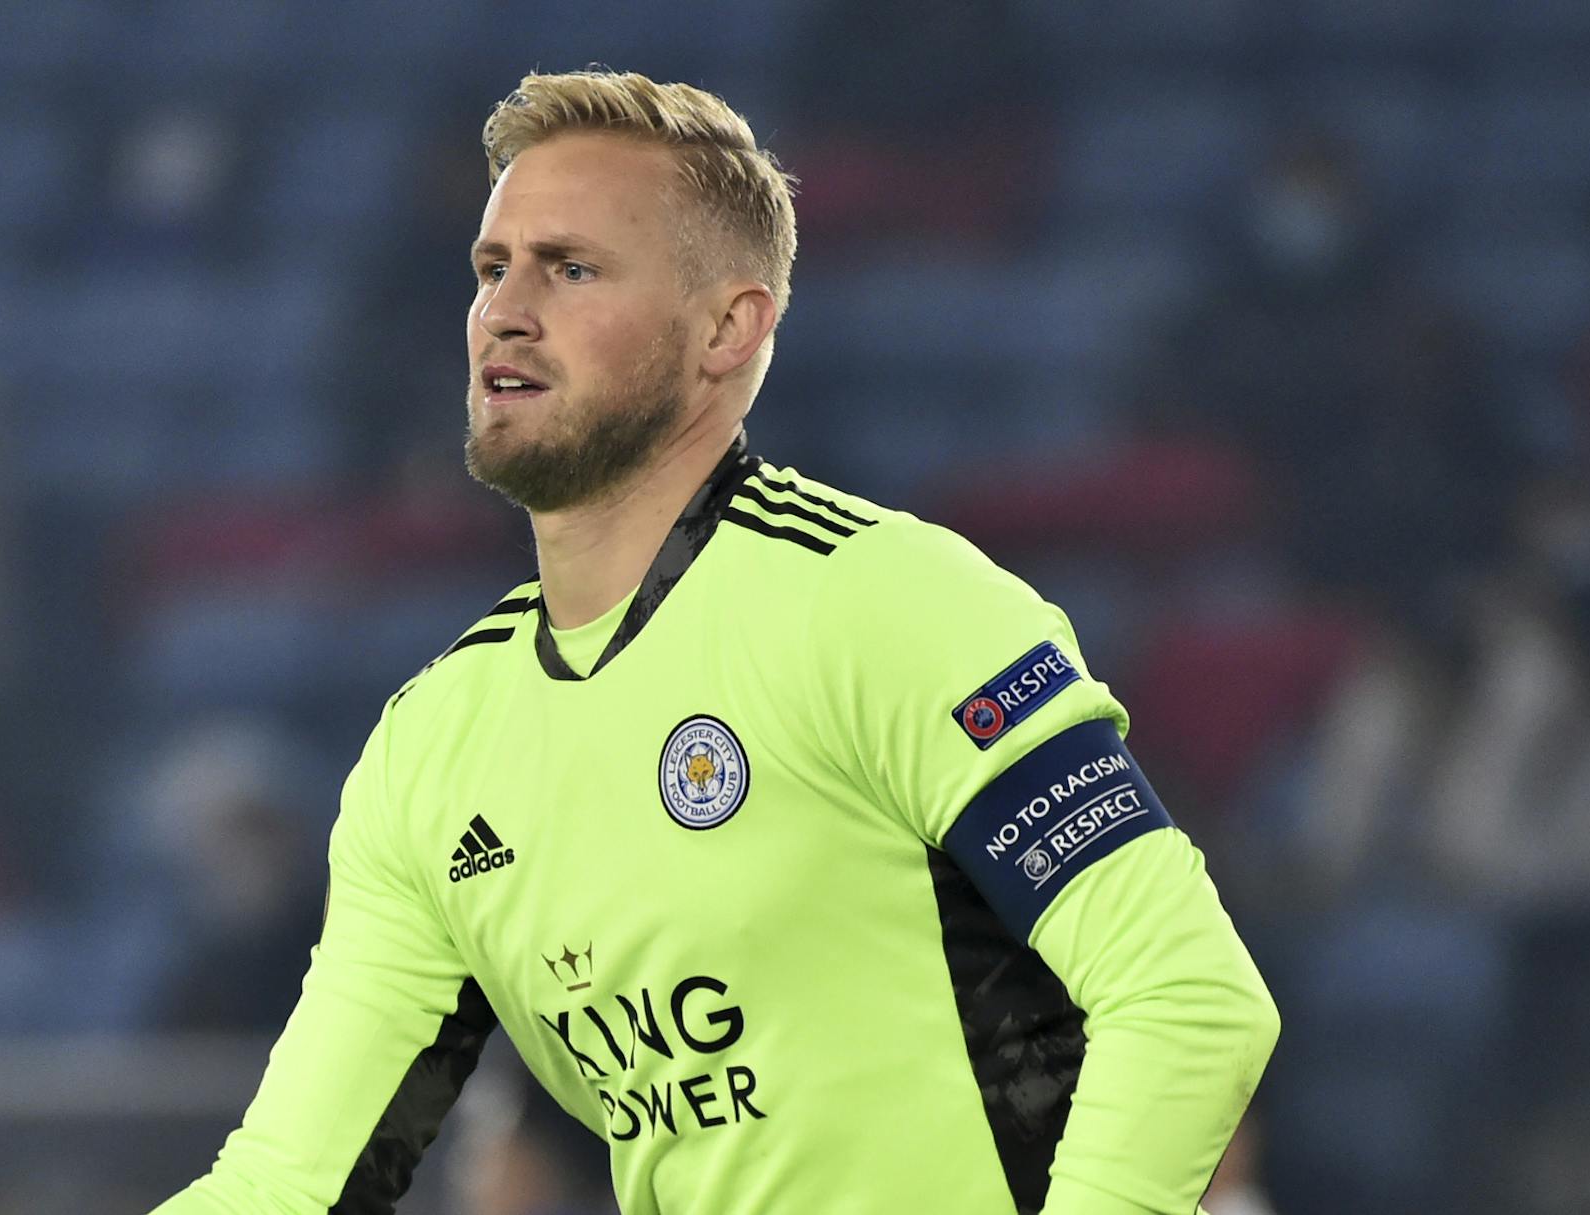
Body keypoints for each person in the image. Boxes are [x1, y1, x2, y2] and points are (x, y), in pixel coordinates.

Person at [152, 70, 1277, 1215]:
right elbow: (291, 1181)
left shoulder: (885, 604)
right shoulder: (433, 747)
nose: (506, 308)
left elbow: (1188, 997)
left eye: (573, 268)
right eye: (493, 269)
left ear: (728, 329)